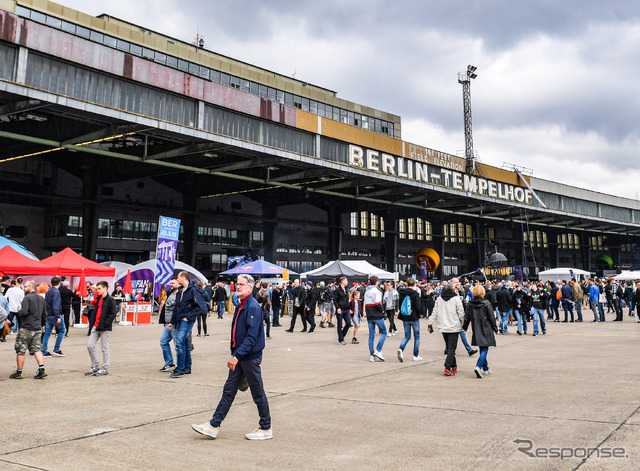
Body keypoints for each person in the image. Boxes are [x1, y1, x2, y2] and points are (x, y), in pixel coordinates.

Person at [191, 274, 272, 440]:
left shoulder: (252, 307)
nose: (238, 286)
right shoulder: (242, 304)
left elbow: (251, 337)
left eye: (242, 284)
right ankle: (214, 425)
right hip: (240, 356)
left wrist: (237, 355)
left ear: (250, 287)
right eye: (237, 284)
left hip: (249, 357)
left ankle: (266, 428)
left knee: (257, 393)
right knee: (228, 391)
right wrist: (235, 354)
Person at [167, 271, 203, 378]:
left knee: (179, 343)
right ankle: (187, 367)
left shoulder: (192, 290)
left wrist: (188, 317)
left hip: (186, 321)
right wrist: (172, 322)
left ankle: (180, 368)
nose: (177, 279)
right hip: (179, 320)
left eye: (178, 277)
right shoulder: (181, 291)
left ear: (183, 278)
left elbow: (198, 306)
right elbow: (176, 309)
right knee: (185, 343)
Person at [10, 281, 47, 379]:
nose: (24, 288)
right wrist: (43, 325)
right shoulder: (41, 298)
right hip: (37, 327)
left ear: (31, 287)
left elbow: (24, 312)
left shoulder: (27, 298)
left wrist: (19, 311)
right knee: (37, 348)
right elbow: (44, 314)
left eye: (25, 287)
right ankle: (42, 369)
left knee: (21, 350)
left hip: (26, 327)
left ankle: (19, 372)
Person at [428, 278, 465, 376]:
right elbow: (461, 313)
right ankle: (447, 366)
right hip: (454, 326)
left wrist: (430, 323)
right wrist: (463, 324)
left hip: (443, 326)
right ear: (454, 289)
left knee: (450, 347)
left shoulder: (439, 299)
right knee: (452, 348)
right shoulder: (456, 299)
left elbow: (434, 311)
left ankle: (454, 365)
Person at [463, 285, 498, 378]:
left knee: (482, 348)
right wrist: (496, 329)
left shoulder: (470, 304)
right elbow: (491, 317)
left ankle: (486, 368)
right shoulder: (486, 303)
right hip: (486, 328)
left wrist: (465, 327)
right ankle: (478, 366)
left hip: (476, 328)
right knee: (485, 349)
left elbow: (467, 317)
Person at [85, 281, 117, 376]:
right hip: (96, 325)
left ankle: (105, 368)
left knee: (104, 348)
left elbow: (113, 314)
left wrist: (106, 323)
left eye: (99, 288)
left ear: (105, 288)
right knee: (90, 345)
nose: (97, 290)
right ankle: (95, 366)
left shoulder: (110, 300)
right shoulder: (99, 299)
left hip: (105, 327)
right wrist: (93, 324)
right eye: (97, 288)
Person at [396, 277, 423, 362]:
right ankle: (415, 355)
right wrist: (419, 314)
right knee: (417, 336)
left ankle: (401, 348)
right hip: (414, 316)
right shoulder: (415, 294)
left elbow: (400, 304)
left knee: (407, 336)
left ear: (407, 284)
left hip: (405, 316)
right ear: (414, 284)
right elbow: (418, 306)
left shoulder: (402, 293)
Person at [42, 276, 66, 358]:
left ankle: (44, 350)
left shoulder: (48, 292)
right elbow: (55, 305)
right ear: (59, 283)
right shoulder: (56, 292)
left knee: (47, 333)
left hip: (48, 314)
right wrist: (58, 316)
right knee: (62, 330)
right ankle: (56, 349)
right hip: (54, 315)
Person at [159, 278, 180, 371]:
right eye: (170, 283)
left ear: (178, 284)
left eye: (173, 283)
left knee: (178, 345)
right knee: (163, 342)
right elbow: (165, 309)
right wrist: (164, 321)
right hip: (167, 323)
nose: (171, 285)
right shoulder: (170, 293)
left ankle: (180, 366)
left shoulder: (180, 295)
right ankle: (169, 363)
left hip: (175, 324)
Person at [365, 276, 387, 362]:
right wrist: (382, 311)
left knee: (371, 336)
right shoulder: (377, 291)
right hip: (377, 315)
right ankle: (378, 350)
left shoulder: (366, 291)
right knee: (384, 332)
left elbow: (366, 303)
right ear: (376, 282)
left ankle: (371, 355)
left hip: (369, 315)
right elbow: (378, 303)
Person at [333, 276, 351, 345]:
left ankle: (342, 335)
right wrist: (338, 308)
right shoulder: (337, 290)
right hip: (340, 309)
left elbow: (347, 300)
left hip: (346, 309)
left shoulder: (346, 289)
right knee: (340, 324)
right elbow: (335, 300)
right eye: (346, 281)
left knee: (348, 323)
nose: (347, 282)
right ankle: (341, 340)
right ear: (342, 282)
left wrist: (349, 308)